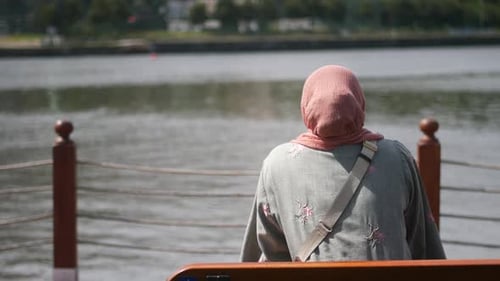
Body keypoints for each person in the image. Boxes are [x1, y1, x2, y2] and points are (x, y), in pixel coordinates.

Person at [240, 65, 446, 262]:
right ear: (359, 102)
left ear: (306, 107)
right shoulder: (397, 157)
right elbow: (423, 245)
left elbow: (269, 253)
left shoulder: (277, 164)